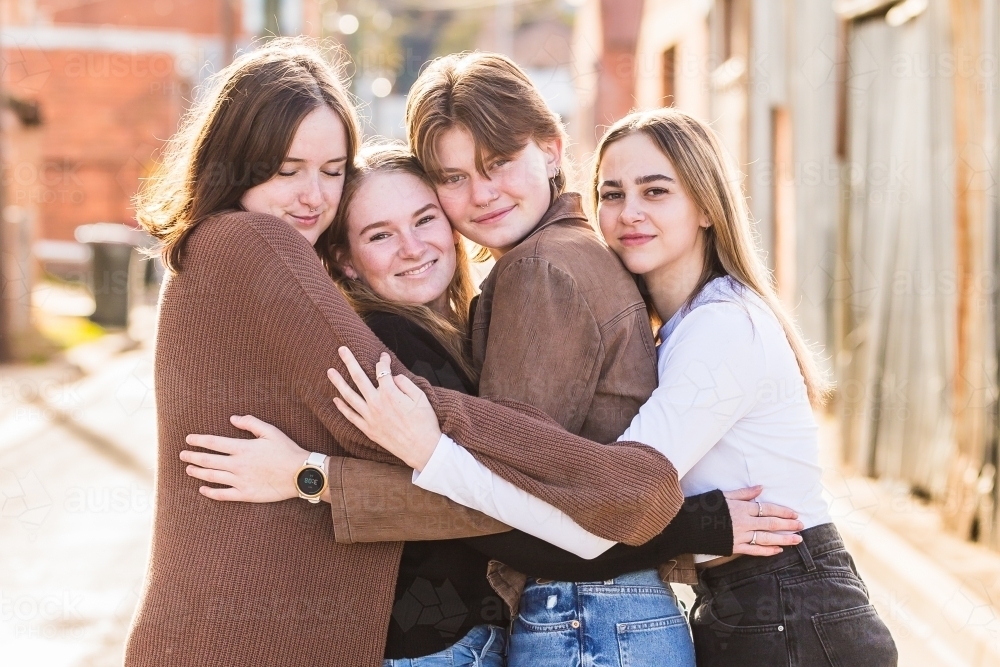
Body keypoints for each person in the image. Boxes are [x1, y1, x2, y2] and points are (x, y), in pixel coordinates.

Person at [124, 38, 699, 667]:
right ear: (236, 163)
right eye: (287, 169)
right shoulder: (253, 241)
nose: (313, 196)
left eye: (332, 170)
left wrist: (311, 472)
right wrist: (656, 502)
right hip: (246, 636)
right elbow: (408, 422)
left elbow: (432, 442)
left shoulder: (216, 254)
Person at [182, 144, 804, 666]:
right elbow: (469, 504)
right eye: (379, 234)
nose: (411, 246)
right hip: (436, 641)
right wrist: (308, 477)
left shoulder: (460, 326)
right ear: (344, 259)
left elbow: (493, 484)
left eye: (426, 220)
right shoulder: (391, 343)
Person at [328, 108, 899, 667]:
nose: (630, 214)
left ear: (705, 205)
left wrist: (418, 447)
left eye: (655, 192)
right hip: (751, 607)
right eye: (612, 194)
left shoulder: (720, 326)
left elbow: (610, 507)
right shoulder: (675, 325)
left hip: (788, 612)